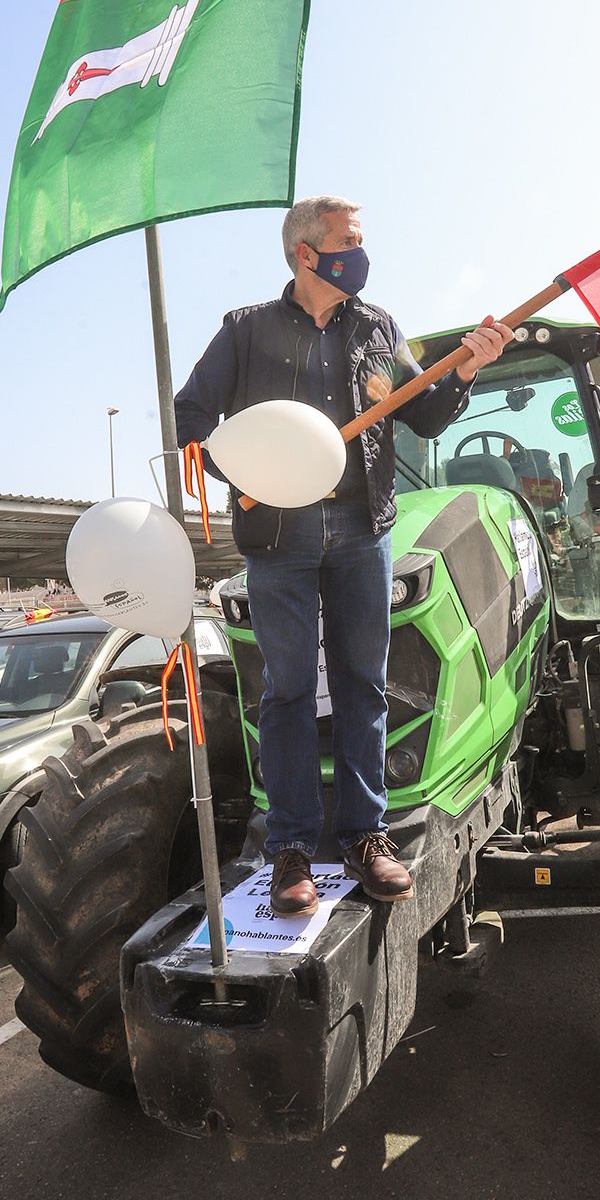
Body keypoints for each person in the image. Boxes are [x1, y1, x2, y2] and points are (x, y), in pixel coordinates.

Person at [175, 196, 510, 915]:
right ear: (306, 252)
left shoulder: (378, 328)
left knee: (363, 684)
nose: (361, 252)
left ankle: (365, 835)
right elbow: (191, 418)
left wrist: (465, 372)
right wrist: (252, 477)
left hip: (364, 532)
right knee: (288, 690)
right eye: (349, 241)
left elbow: (422, 414)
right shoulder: (246, 331)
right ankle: (291, 849)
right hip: (278, 541)